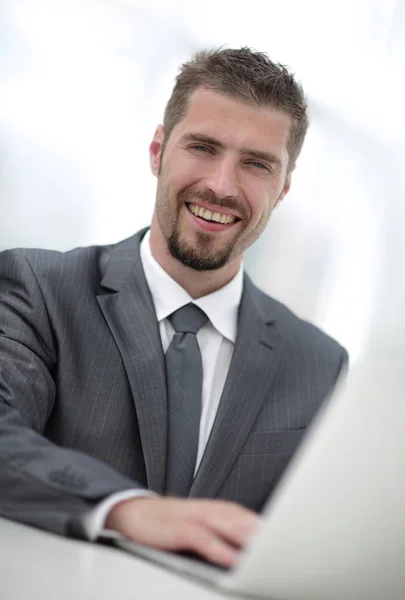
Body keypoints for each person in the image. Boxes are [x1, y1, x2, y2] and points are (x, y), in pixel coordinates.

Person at [0, 47, 347, 568]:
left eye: (256, 164)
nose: (222, 186)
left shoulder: (320, 365)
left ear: (284, 188)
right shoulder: (40, 288)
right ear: (158, 150)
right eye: (203, 147)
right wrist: (127, 510)